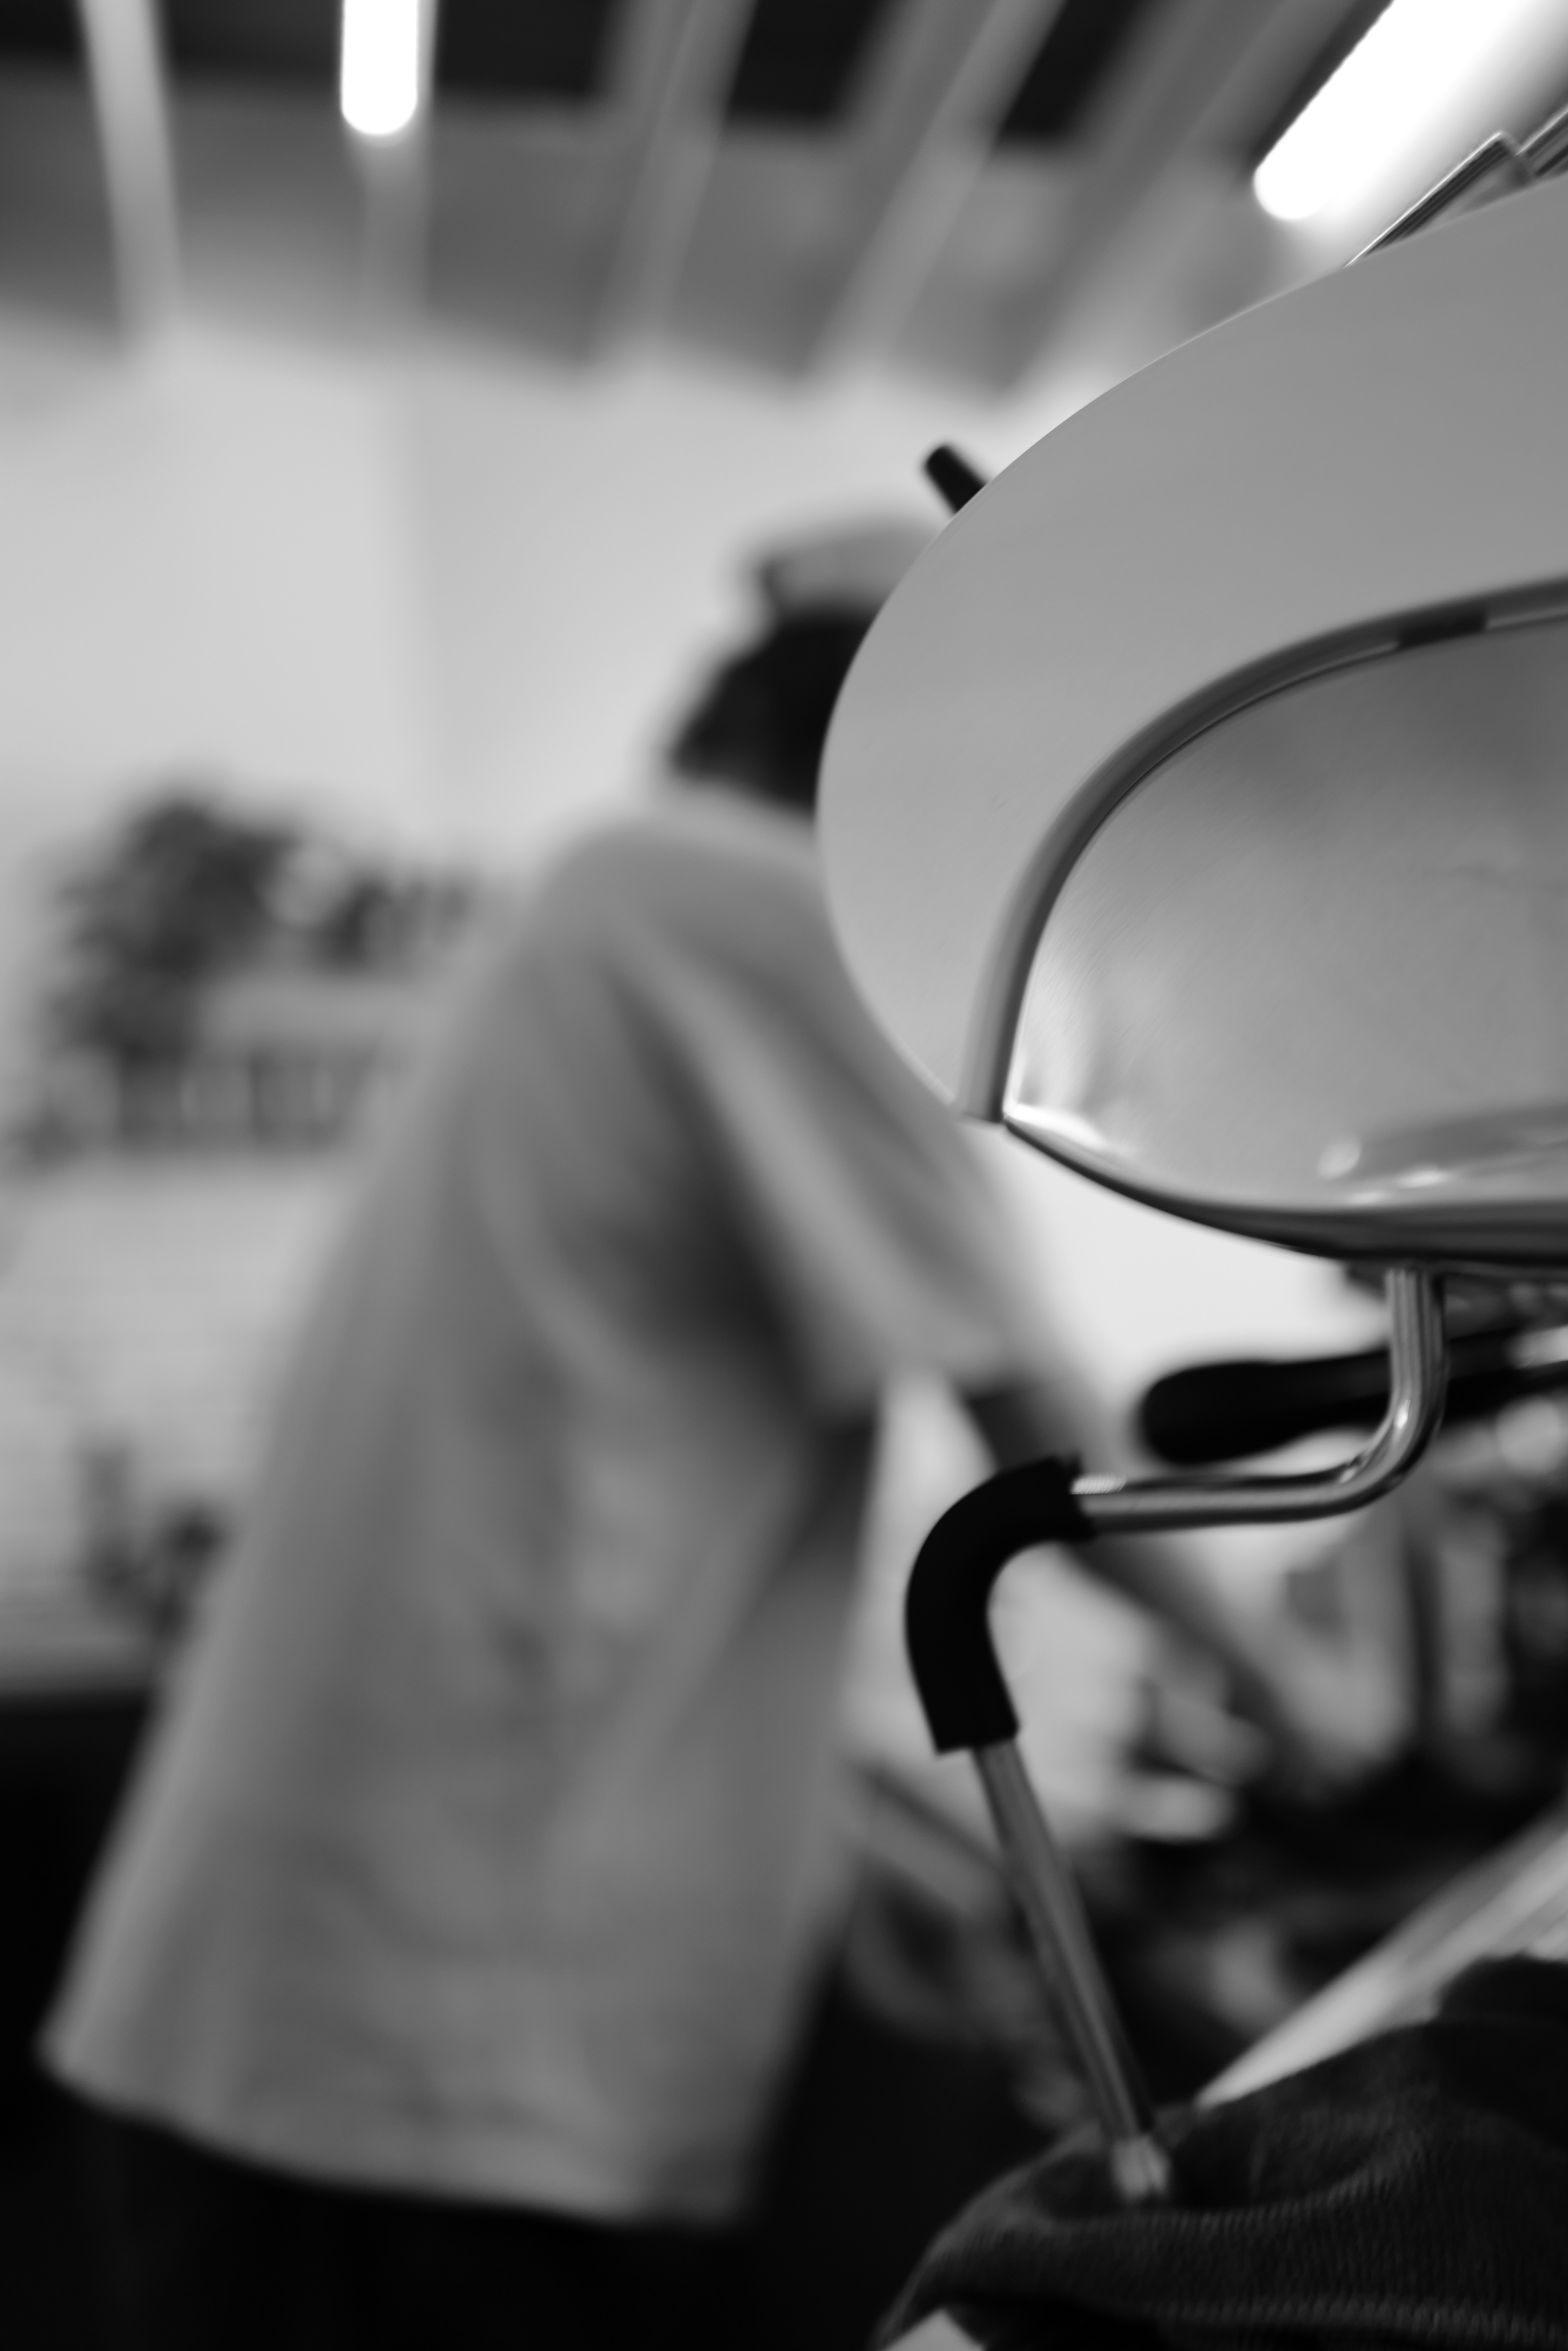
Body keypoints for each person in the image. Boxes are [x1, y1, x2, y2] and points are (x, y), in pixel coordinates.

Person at [46, 530, 1342, 2350]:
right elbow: (1039, 1447)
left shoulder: (602, 907)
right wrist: (1311, 1695)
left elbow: (598, 1512)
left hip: (312, 2009)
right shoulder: (734, 907)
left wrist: (848, 1840)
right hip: (405, 2065)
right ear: (917, 754)